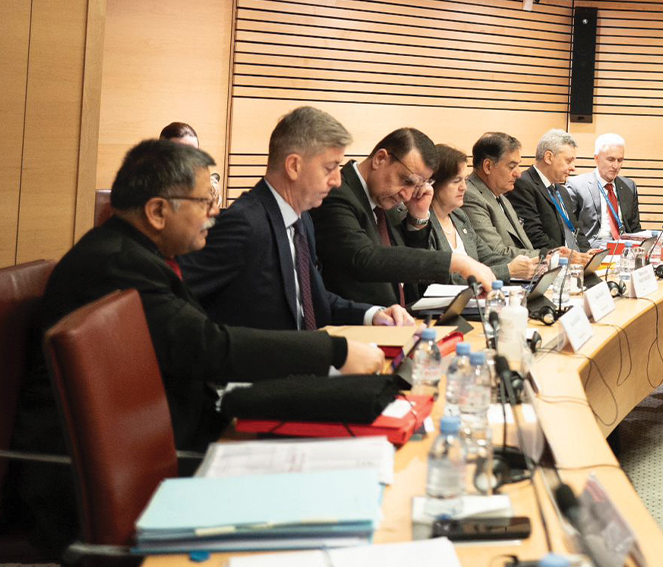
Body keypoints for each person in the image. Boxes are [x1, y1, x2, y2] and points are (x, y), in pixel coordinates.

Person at [3, 140, 383, 554]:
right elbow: (205, 346)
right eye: (204, 202)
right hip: (107, 475)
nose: (214, 213)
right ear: (157, 211)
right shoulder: (116, 263)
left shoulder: (134, 253)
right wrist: (333, 352)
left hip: (163, 436)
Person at [180, 106, 412, 331]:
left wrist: (372, 314)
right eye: (329, 168)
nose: (337, 181)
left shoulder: (302, 222)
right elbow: (178, 301)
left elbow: (311, 300)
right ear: (293, 166)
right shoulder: (244, 223)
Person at [310, 127, 494, 308]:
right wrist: (454, 262)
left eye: (418, 185)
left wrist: (417, 218)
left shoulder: (385, 199)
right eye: (406, 181)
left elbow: (408, 268)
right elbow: (363, 259)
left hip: (404, 317)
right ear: (380, 159)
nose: (407, 195)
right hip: (357, 321)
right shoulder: (336, 194)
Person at [395, 145, 488, 299]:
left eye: (465, 180)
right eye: (456, 181)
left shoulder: (459, 216)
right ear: (435, 183)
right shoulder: (418, 222)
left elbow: (487, 256)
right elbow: (443, 278)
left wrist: (523, 265)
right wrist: (508, 270)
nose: (464, 187)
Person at [461, 131, 541, 279]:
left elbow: (523, 245)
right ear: (488, 166)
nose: (518, 174)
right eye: (512, 166)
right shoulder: (470, 196)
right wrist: (544, 257)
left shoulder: (501, 195)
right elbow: (496, 252)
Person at [509, 129, 582, 253]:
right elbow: (534, 236)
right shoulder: (523, 185)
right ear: (548, 157)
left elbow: (576, 230)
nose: (573, 168)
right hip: (553, 259)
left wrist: (587, 255)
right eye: (568, 161)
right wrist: (569, 256)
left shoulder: (562, 191)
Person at [568, 133, 642, 249]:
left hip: (625, 248)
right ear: (596, 158)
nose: (616, 166)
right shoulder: (577, 186)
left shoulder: (629, 186)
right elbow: (570, 231)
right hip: (594, 248)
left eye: (620, 160)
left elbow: (635, 228)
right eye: (611, 159)